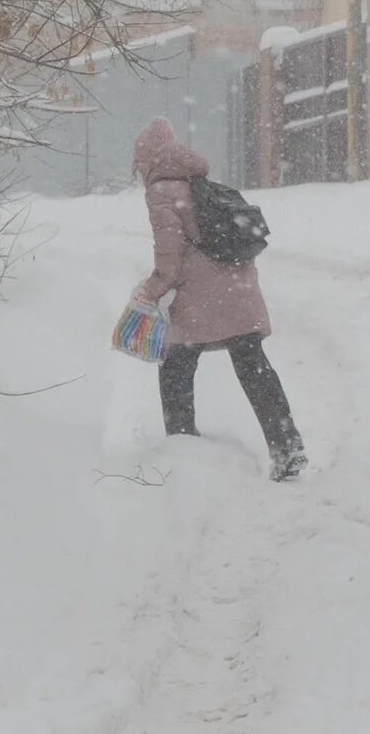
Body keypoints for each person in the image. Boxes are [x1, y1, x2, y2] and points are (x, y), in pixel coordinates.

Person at [133, 118, 307, 481]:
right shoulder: (199, 184)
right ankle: (287, 448)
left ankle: (182, 451)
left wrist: (146, 294)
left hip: (201, 298)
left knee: (175, 366)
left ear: (148, 161)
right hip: (239, 290)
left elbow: (168, 260)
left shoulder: (161, 192)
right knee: (254, 368)